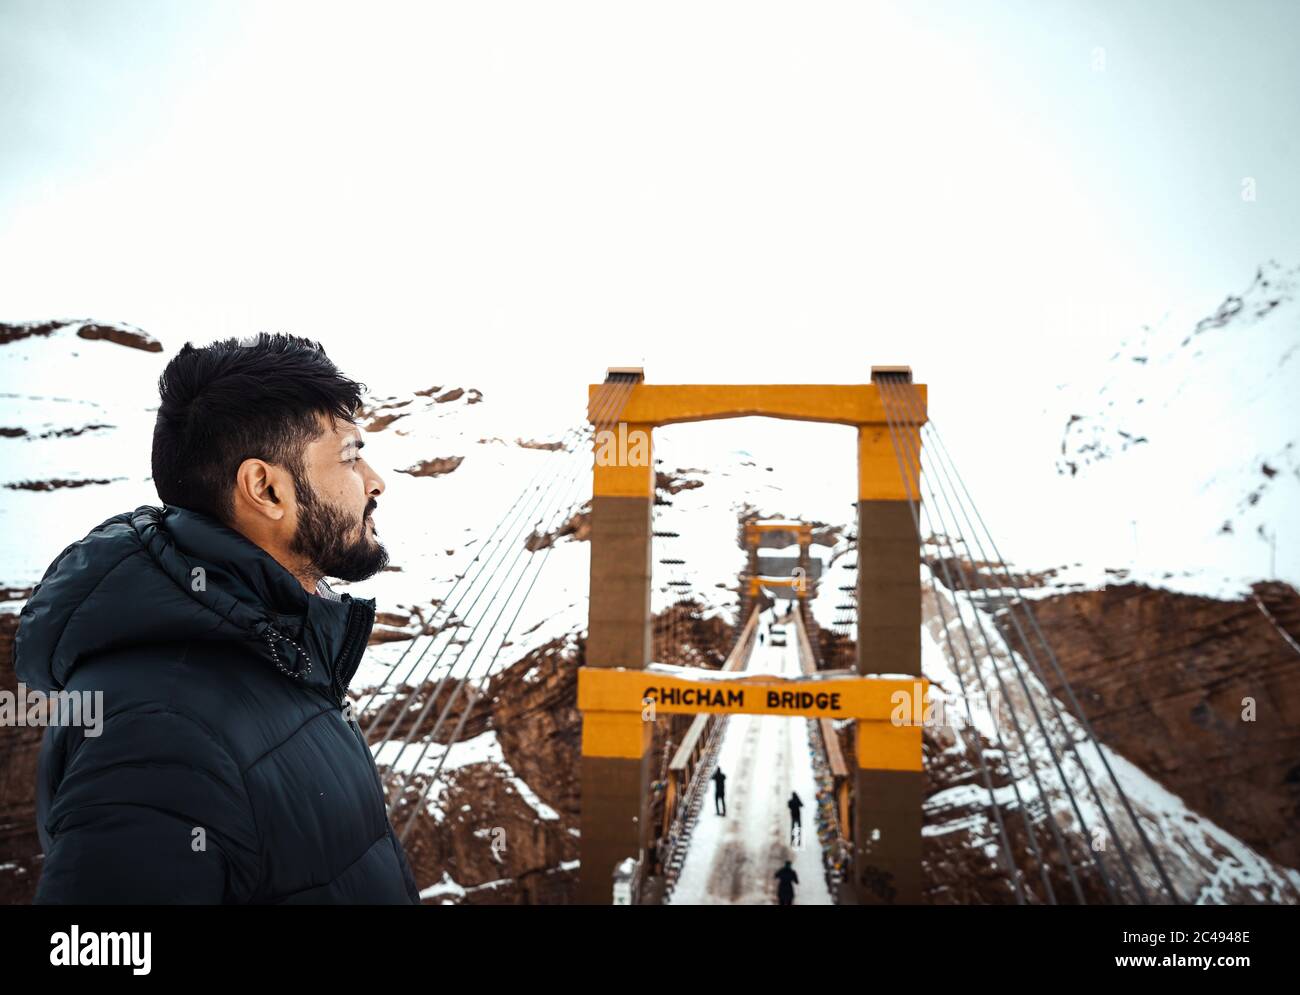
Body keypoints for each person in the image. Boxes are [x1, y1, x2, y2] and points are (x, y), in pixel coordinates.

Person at [15, 333, 421, 904]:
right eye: (351, 455)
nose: (375, 482)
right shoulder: (160, 728)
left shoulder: (275, 652)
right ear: (265, 489)